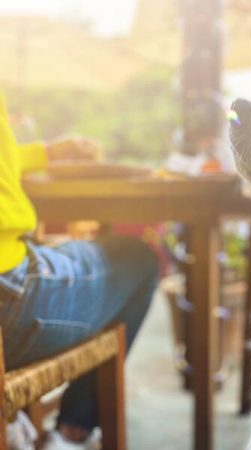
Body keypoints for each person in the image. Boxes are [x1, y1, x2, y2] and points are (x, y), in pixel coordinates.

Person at [0, 93, 159, 450]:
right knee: (137, 259)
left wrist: (46, 153)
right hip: (8, 302)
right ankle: (72, 432)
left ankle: (23, 421)